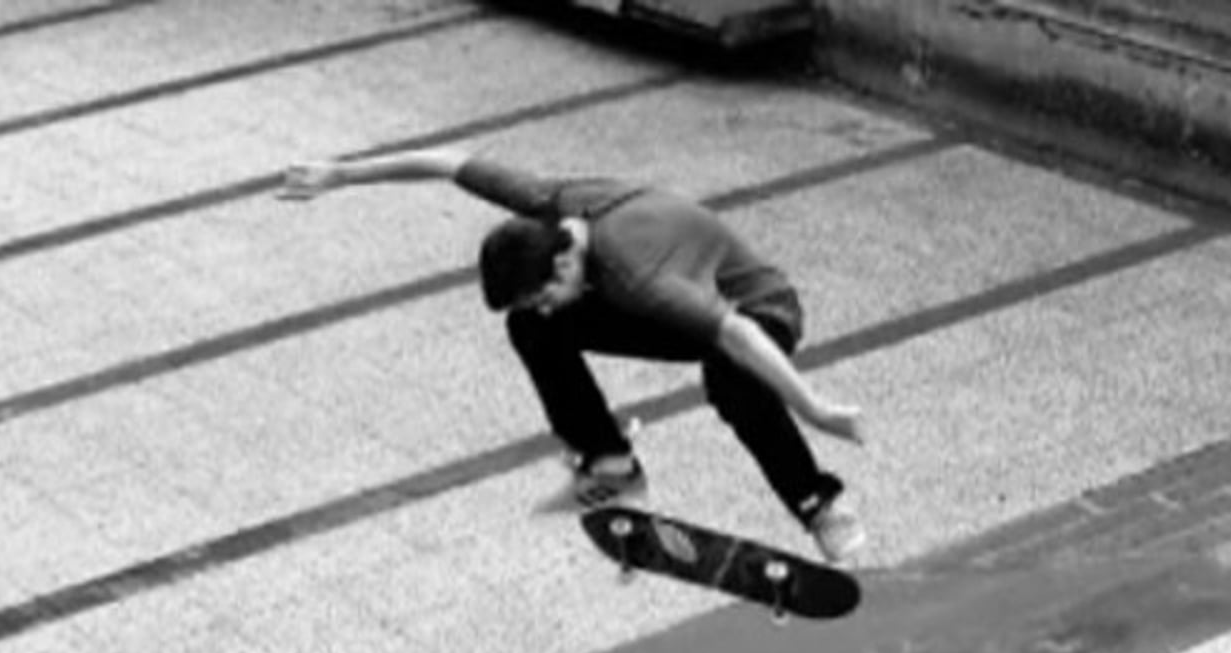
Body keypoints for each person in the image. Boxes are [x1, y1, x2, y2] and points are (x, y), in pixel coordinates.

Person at [278, 144, 867, 565]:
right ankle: (609, 464)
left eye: (546, 291)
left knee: (731, 377)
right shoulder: (545, 206)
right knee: (530, 326)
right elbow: (445, 163)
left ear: (563, 262)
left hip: (759, 308)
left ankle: (820, 507)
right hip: (686, 305)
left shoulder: (638, 277)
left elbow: (738, 334)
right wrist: (343, 174)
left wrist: (814, 408)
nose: (547, 304)